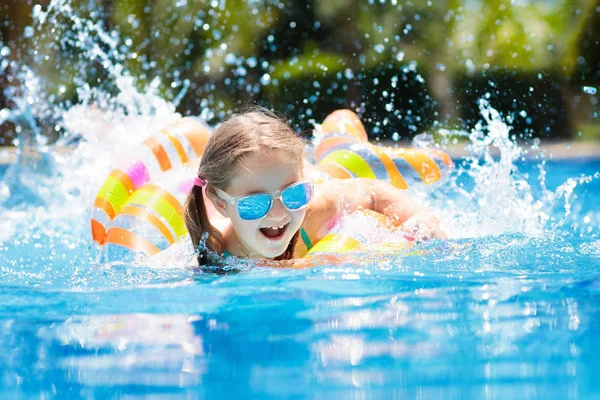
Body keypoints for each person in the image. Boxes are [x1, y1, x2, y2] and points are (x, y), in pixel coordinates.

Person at [184, 108, 445, 267]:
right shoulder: (210, 255)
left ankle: (343, 142)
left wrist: (418, 218)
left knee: (346, 163)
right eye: (255, 203)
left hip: (327, 179)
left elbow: (369, 191)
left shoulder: (311, 213)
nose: (278, 214)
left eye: (294, 194)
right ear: (220, 204)